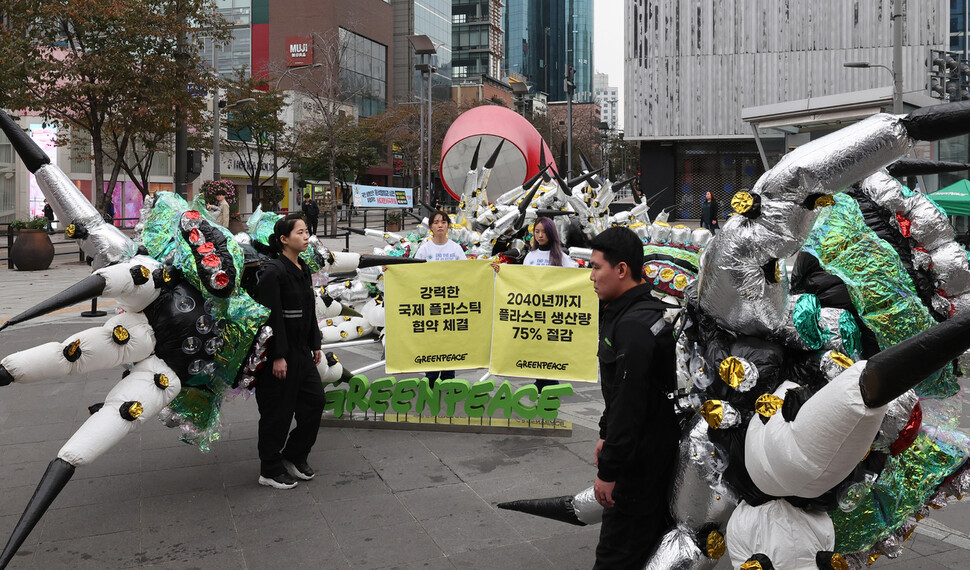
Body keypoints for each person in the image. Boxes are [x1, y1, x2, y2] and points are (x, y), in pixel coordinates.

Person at [588, 226, 679, 569]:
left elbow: (629, 404)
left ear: (622, 269)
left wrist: (609, 471)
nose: (592, 277)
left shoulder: (634, 327)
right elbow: (617, 390)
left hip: (639, 466)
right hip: (646, 452)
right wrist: (604, 432)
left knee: (616, 556)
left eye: (597, 267)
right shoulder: (630, 310)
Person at [252, 213, 325, 490]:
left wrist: (315, 343)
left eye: (307, 232)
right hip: (279, 356)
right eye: (300, 233)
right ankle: (269, 468)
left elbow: (308, 309)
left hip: (302, 351)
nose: (306, 237)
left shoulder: (302, 268)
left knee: (315, 402)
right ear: (284, 239)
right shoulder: (273, 272)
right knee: (277, 413)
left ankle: (294, 455)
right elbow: (272, 319)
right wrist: (278, 355)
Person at [521, 217, 577, 392]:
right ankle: (540, 380)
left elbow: (575, 280)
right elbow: (522, 281)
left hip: (553, 313)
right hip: (534, 312)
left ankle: (551, 382)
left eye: (543, 231)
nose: (539, 235)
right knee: (537, 347)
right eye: (536, 231)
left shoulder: (563, 258)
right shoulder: (530, 257)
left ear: (551, 233)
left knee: (551, 348)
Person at [414, 210, 466, 385]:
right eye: (436, 222)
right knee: (432, 341)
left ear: (448, 226)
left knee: (449, 341)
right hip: (431, 305)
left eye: (443, 222)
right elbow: (411, 272)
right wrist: (390, 270)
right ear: (430, 227)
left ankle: (448, 377)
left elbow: (469, 273)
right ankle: (431, 376)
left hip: (451, 305)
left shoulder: (455, 248)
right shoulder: (425, 249)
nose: (440, 225)